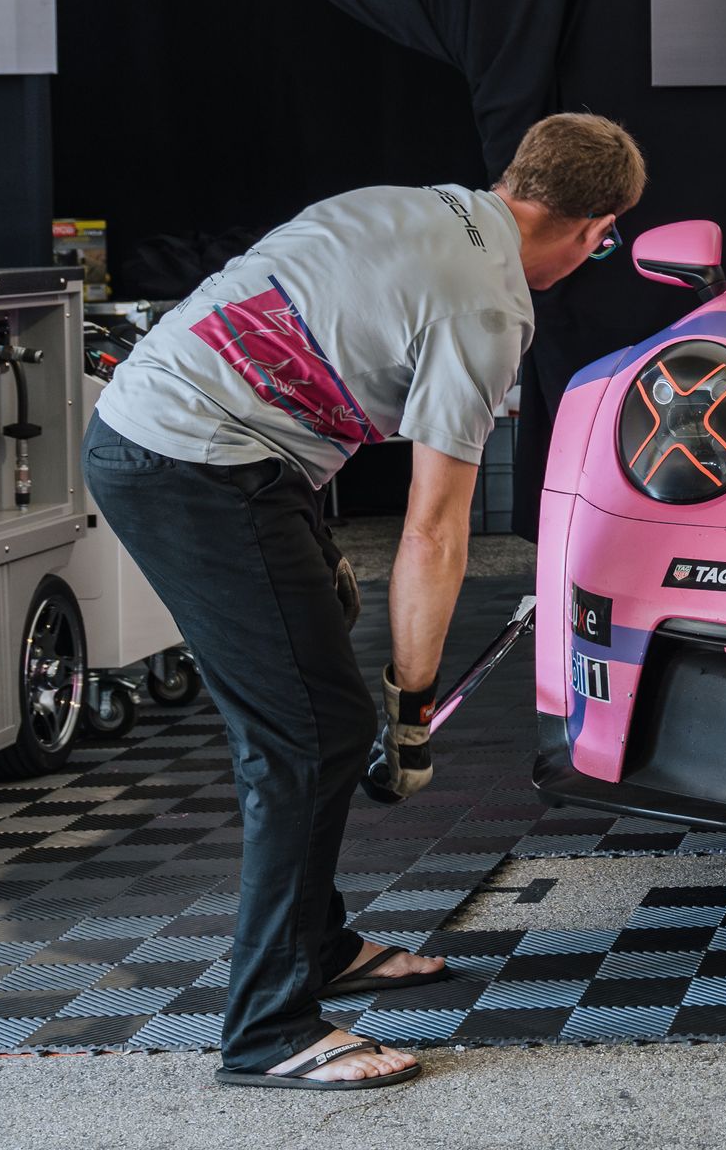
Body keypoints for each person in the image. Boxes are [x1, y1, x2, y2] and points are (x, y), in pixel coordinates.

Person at [81, 114, 645, 1091]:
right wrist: (413, 710)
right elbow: (434, 530)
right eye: (606, 239)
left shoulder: (406, 208)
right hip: (194, 465)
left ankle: (320, 944)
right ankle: (268, 1028)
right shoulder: (489, 308)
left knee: (316, 688)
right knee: (311, 737)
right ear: (592, 227)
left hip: (192, 441)